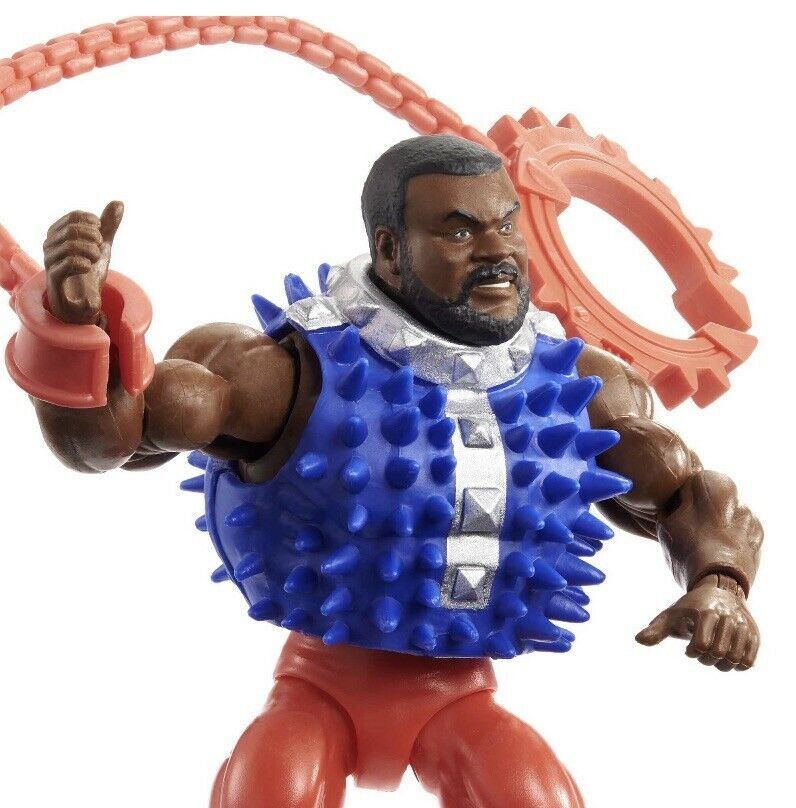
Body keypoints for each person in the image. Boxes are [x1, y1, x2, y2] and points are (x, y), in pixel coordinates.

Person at [21, 135, 762, 808]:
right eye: (459, 231)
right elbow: (109, 440)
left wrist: (721, 583)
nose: (497, 250)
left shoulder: (579, 386)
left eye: (507, 224)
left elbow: (684, 491)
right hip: (318, 686)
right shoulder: (289, 370)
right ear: (390, 250)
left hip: (461, 696)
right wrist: (75, 324)